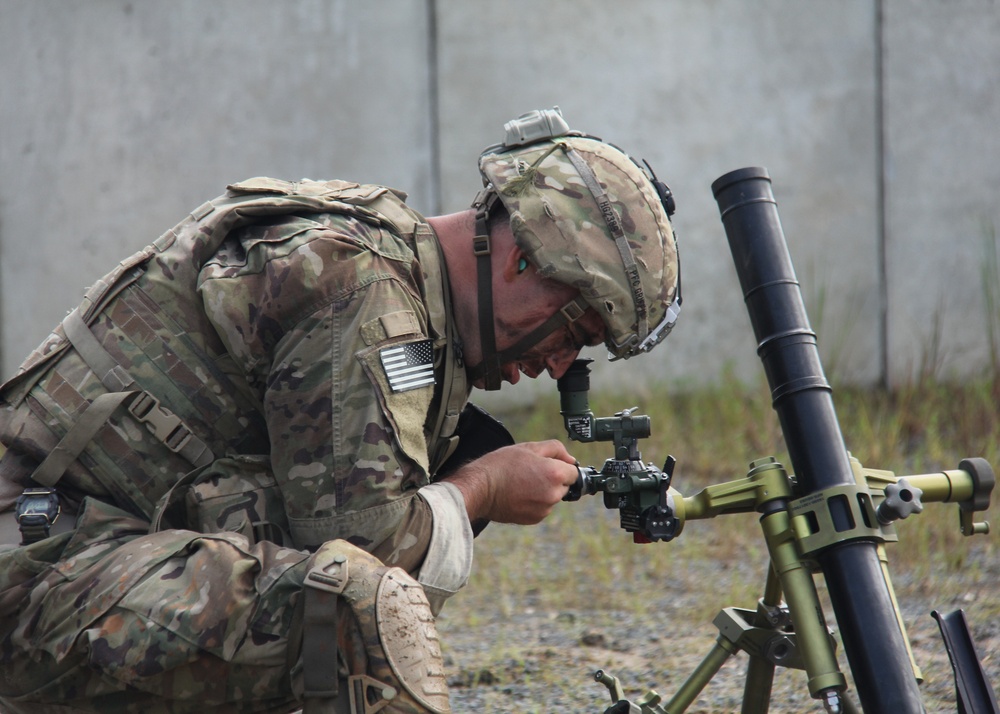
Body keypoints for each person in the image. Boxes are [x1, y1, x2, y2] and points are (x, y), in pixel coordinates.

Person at [0, 107, 680, 714]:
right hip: (36, 575)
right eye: (572, 330)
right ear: (522, 264)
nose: (559, 363)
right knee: (352, 607)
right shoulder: (366, 297)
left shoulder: (392, 268)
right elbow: (367, 544)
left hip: (81, 556)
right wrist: (486, 488)